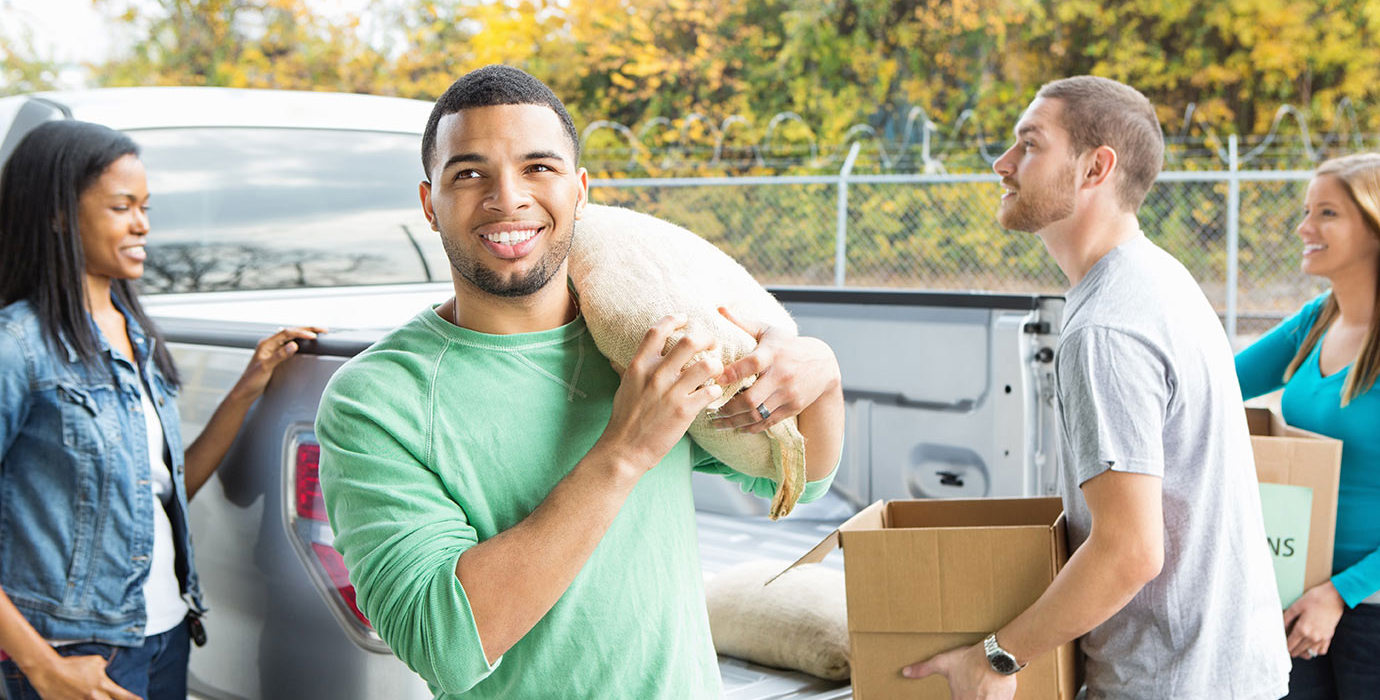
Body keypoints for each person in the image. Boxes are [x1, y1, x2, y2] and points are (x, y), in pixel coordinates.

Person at [313, 65, 845, 698]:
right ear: (431, 204)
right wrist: (624, 452)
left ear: (580, 190)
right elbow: (444, 644)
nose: (507, 197)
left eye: (538, 167)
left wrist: (823, 376)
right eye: (470, 173)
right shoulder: (374, 400)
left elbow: (800, 479)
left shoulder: (642, 337)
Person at [902, 76, 1291, 699]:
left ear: (1095, 168)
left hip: (1170, 684)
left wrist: (998, 657)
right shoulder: (1159, 278)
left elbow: (1131, 551)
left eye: (1029, 145)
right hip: (1231, 671)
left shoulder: (1107, 327)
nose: (1002, 165)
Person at [0, 120, 323, 700]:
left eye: (144, 206)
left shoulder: (138, 336)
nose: (142, 224)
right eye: (121, 206)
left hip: (167, 633)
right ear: (56, 214)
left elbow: (170, 488)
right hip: (75, 652)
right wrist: (44, 668)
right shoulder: (16, 348)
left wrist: (250, 385)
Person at [1235, 153, 1380, 700]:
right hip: (1296, 594)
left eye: (1327, 213)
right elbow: (1214, 388)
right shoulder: (1318, 319)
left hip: (1367, 607)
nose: (1304, 228)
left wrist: (1340, 594)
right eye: (1306, 211)